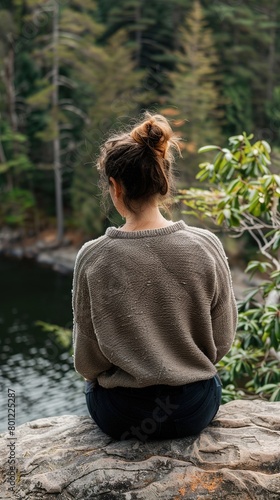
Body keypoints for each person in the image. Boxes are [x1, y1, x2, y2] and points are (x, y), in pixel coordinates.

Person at [72, 112, 237, 442]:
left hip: (122, 414)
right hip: (194, 408)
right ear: (162, 179)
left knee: (94, 387)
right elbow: (222, 342)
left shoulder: (93, 256)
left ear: (115, 187)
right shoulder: (206, 245)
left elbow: (88, 363)